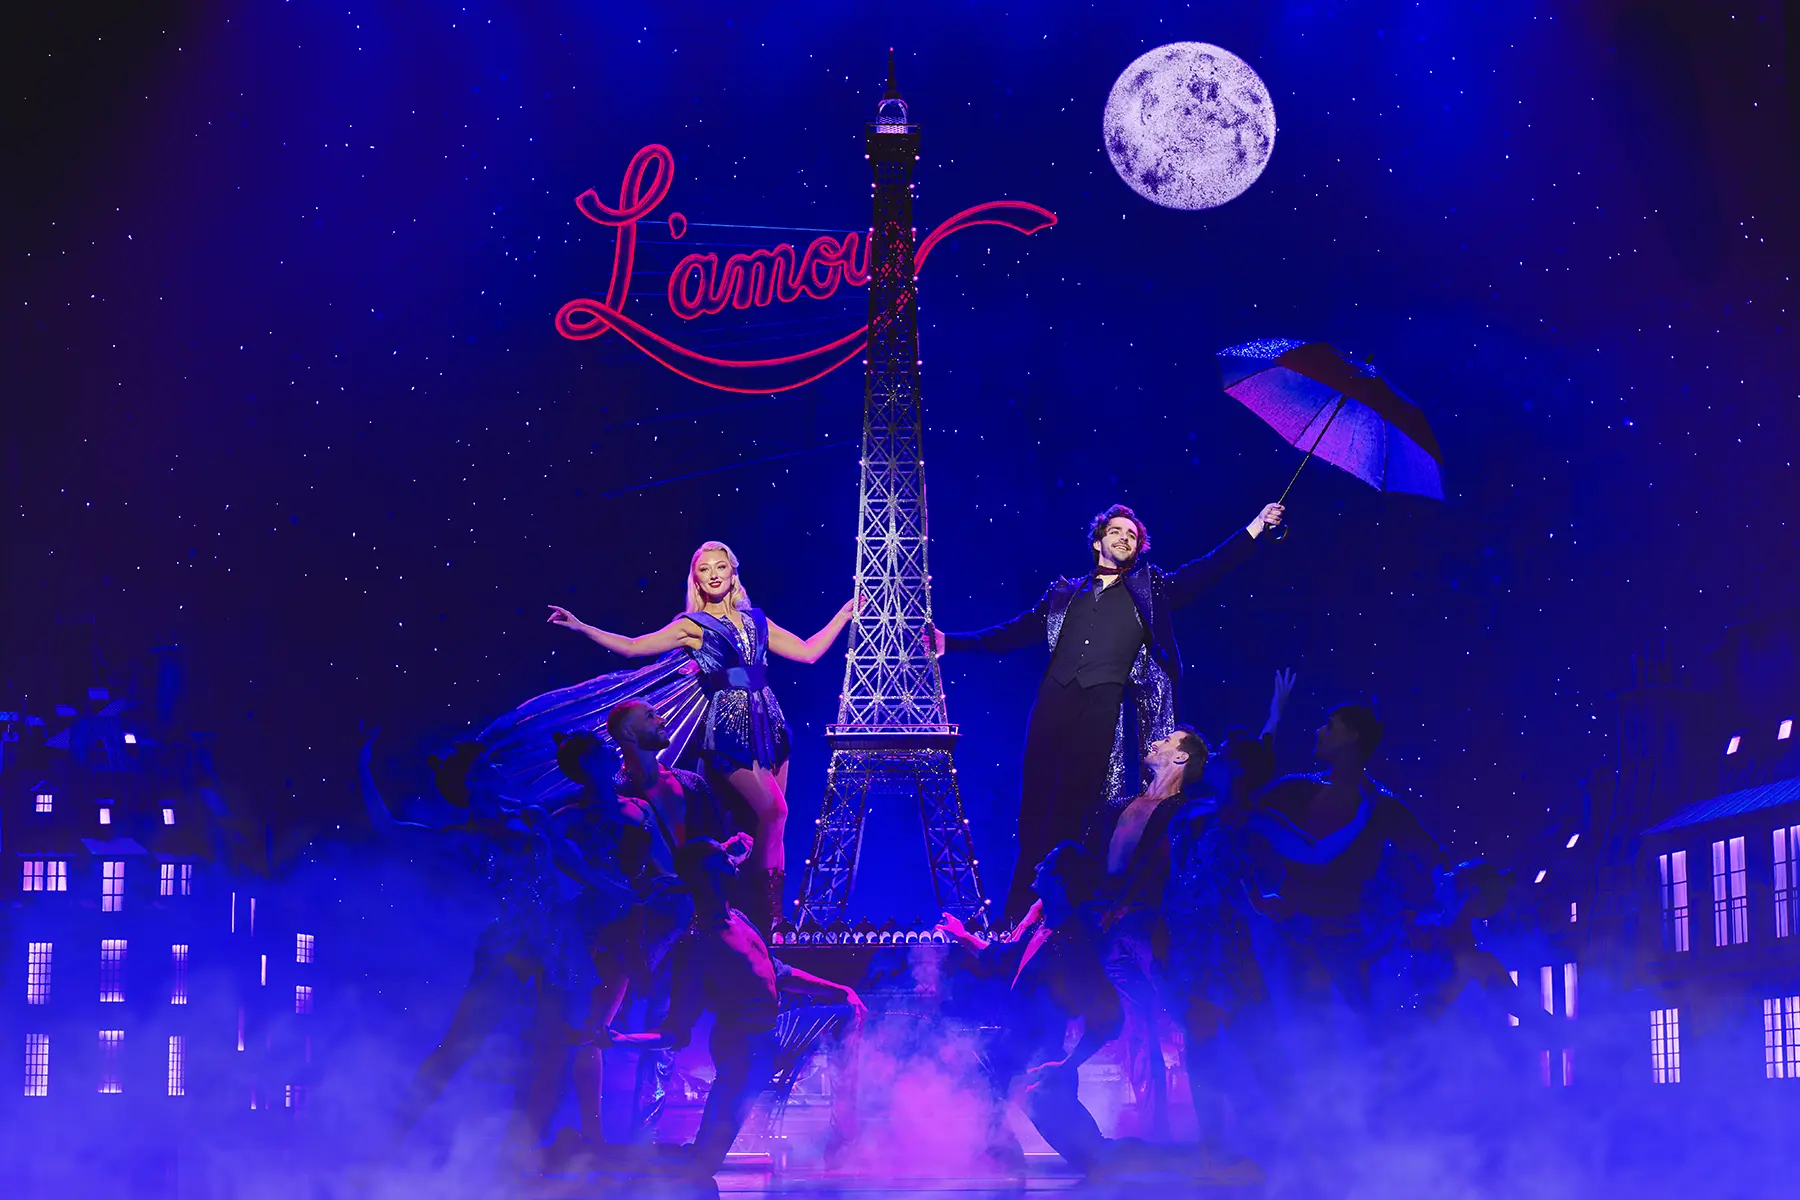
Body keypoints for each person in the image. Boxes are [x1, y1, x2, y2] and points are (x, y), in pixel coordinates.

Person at [930, 501, 1284, 920]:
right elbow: (1015, 632)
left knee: (1070, 815)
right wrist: (950, 643)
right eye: (1117, 531)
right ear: (1099, 540)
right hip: (1051, 705)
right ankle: (1014, 920)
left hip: (1101, 708)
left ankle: (1055, 920)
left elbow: (1203, 572)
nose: (1124, 539)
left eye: (1132, 536)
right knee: (1032, 818)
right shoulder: (1062, 594)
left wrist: (1256, 527)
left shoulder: (1149, 589)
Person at [482, 539, 855, 933]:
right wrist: (581, 626)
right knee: (773, 811)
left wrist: (842, 617)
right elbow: (632, 647)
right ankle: (770, 916)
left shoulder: (757, 621)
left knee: (774, 818)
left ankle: (769, 921)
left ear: (733, 573)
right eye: (704, 569)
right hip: (728, 727)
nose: (713, 575)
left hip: (771, 723)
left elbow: (809, 653)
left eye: (720, 567)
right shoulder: (692, 626)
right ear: (696, 578)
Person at [361, 733, 595, 1159]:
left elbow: (574, 864)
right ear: (469, 781)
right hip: (512, 942)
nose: (495, 768)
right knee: (458, 1045)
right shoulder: (462, 835)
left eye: (492, 763)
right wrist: (362, 765)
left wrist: (623, 892)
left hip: (558, 940)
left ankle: (531, 1152)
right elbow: (388, 829)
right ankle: (388, 1143)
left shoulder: (533, 815)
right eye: (484, 766)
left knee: (559, 1047)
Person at [598, 836, 868, 1178]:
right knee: (702, 1164)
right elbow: (676, 1031)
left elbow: (779, 973)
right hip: (745, 1053)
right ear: (711, 876)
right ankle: (626, 1171)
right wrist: (621, 1040)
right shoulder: (699, 946)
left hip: (777, 1031)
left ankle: (842, 1132)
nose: (734, 858)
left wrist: (840, 990)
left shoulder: (738, 918)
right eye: (724, 856)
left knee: (849, 1012)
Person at [1244, 703, 1449, 1034]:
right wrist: (1254, 895)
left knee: (1366, 1025)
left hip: (1340, 928)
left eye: (1329, 726)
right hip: (1286, 924)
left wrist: (1450, 904)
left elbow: (1429, 854)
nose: (1318, 732)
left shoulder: (1383, 805)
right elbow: (1239, 830)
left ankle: (1384, 1079)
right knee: (1295, 1026)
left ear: (1353, 736)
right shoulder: (1295, 788)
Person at [937, 843, 1123, 1179]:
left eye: (1047, 862)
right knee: (979, 1086)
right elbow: (1000, 956)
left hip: (1041, 1070)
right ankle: (1002, 1157)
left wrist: (1067, 1064)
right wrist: (963, 936)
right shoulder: (1042, 935)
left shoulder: (1072, 944)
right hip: (1015, 1059)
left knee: (1098, 1160)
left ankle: (1184, 1164)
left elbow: (1109, 1017)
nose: (1037, 864)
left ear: (1061, 881)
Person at [1082, 726, 1209, 1138]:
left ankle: (1209, 1125)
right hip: (1108, 918)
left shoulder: (1184, 815)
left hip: (1149, 922)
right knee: (1138, 1025)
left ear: (1181, 758)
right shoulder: (1117, 806)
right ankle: (1156, 1130)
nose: (1155, 742)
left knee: (1178, 1016)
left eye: (1167, 740)